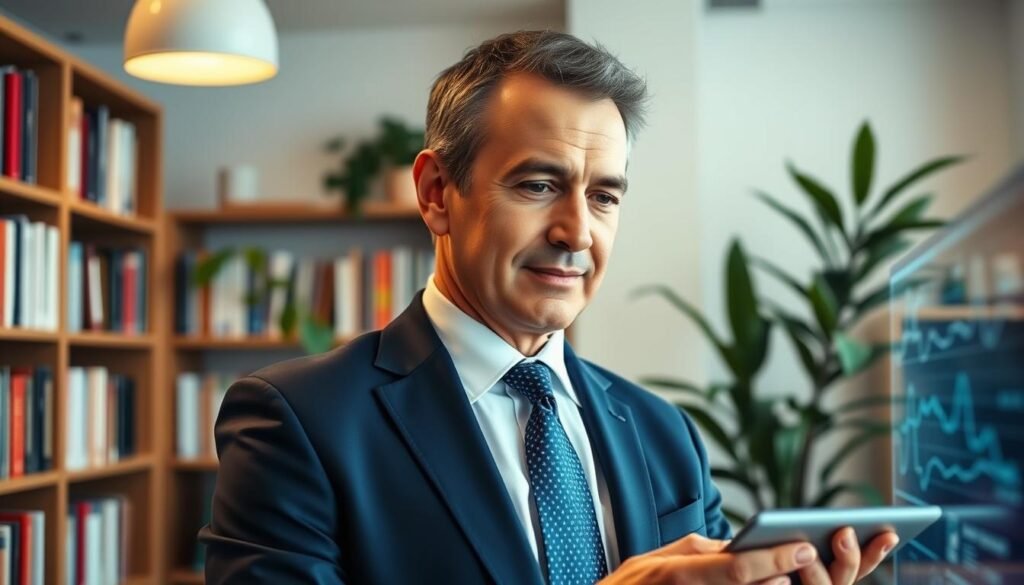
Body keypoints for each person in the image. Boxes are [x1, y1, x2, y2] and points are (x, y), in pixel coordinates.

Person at [198, 30, 898, 585]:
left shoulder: (666, 434)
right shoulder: (297, 421)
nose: (577, 233)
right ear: (437, 192)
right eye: (538, 185)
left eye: (604, 196)